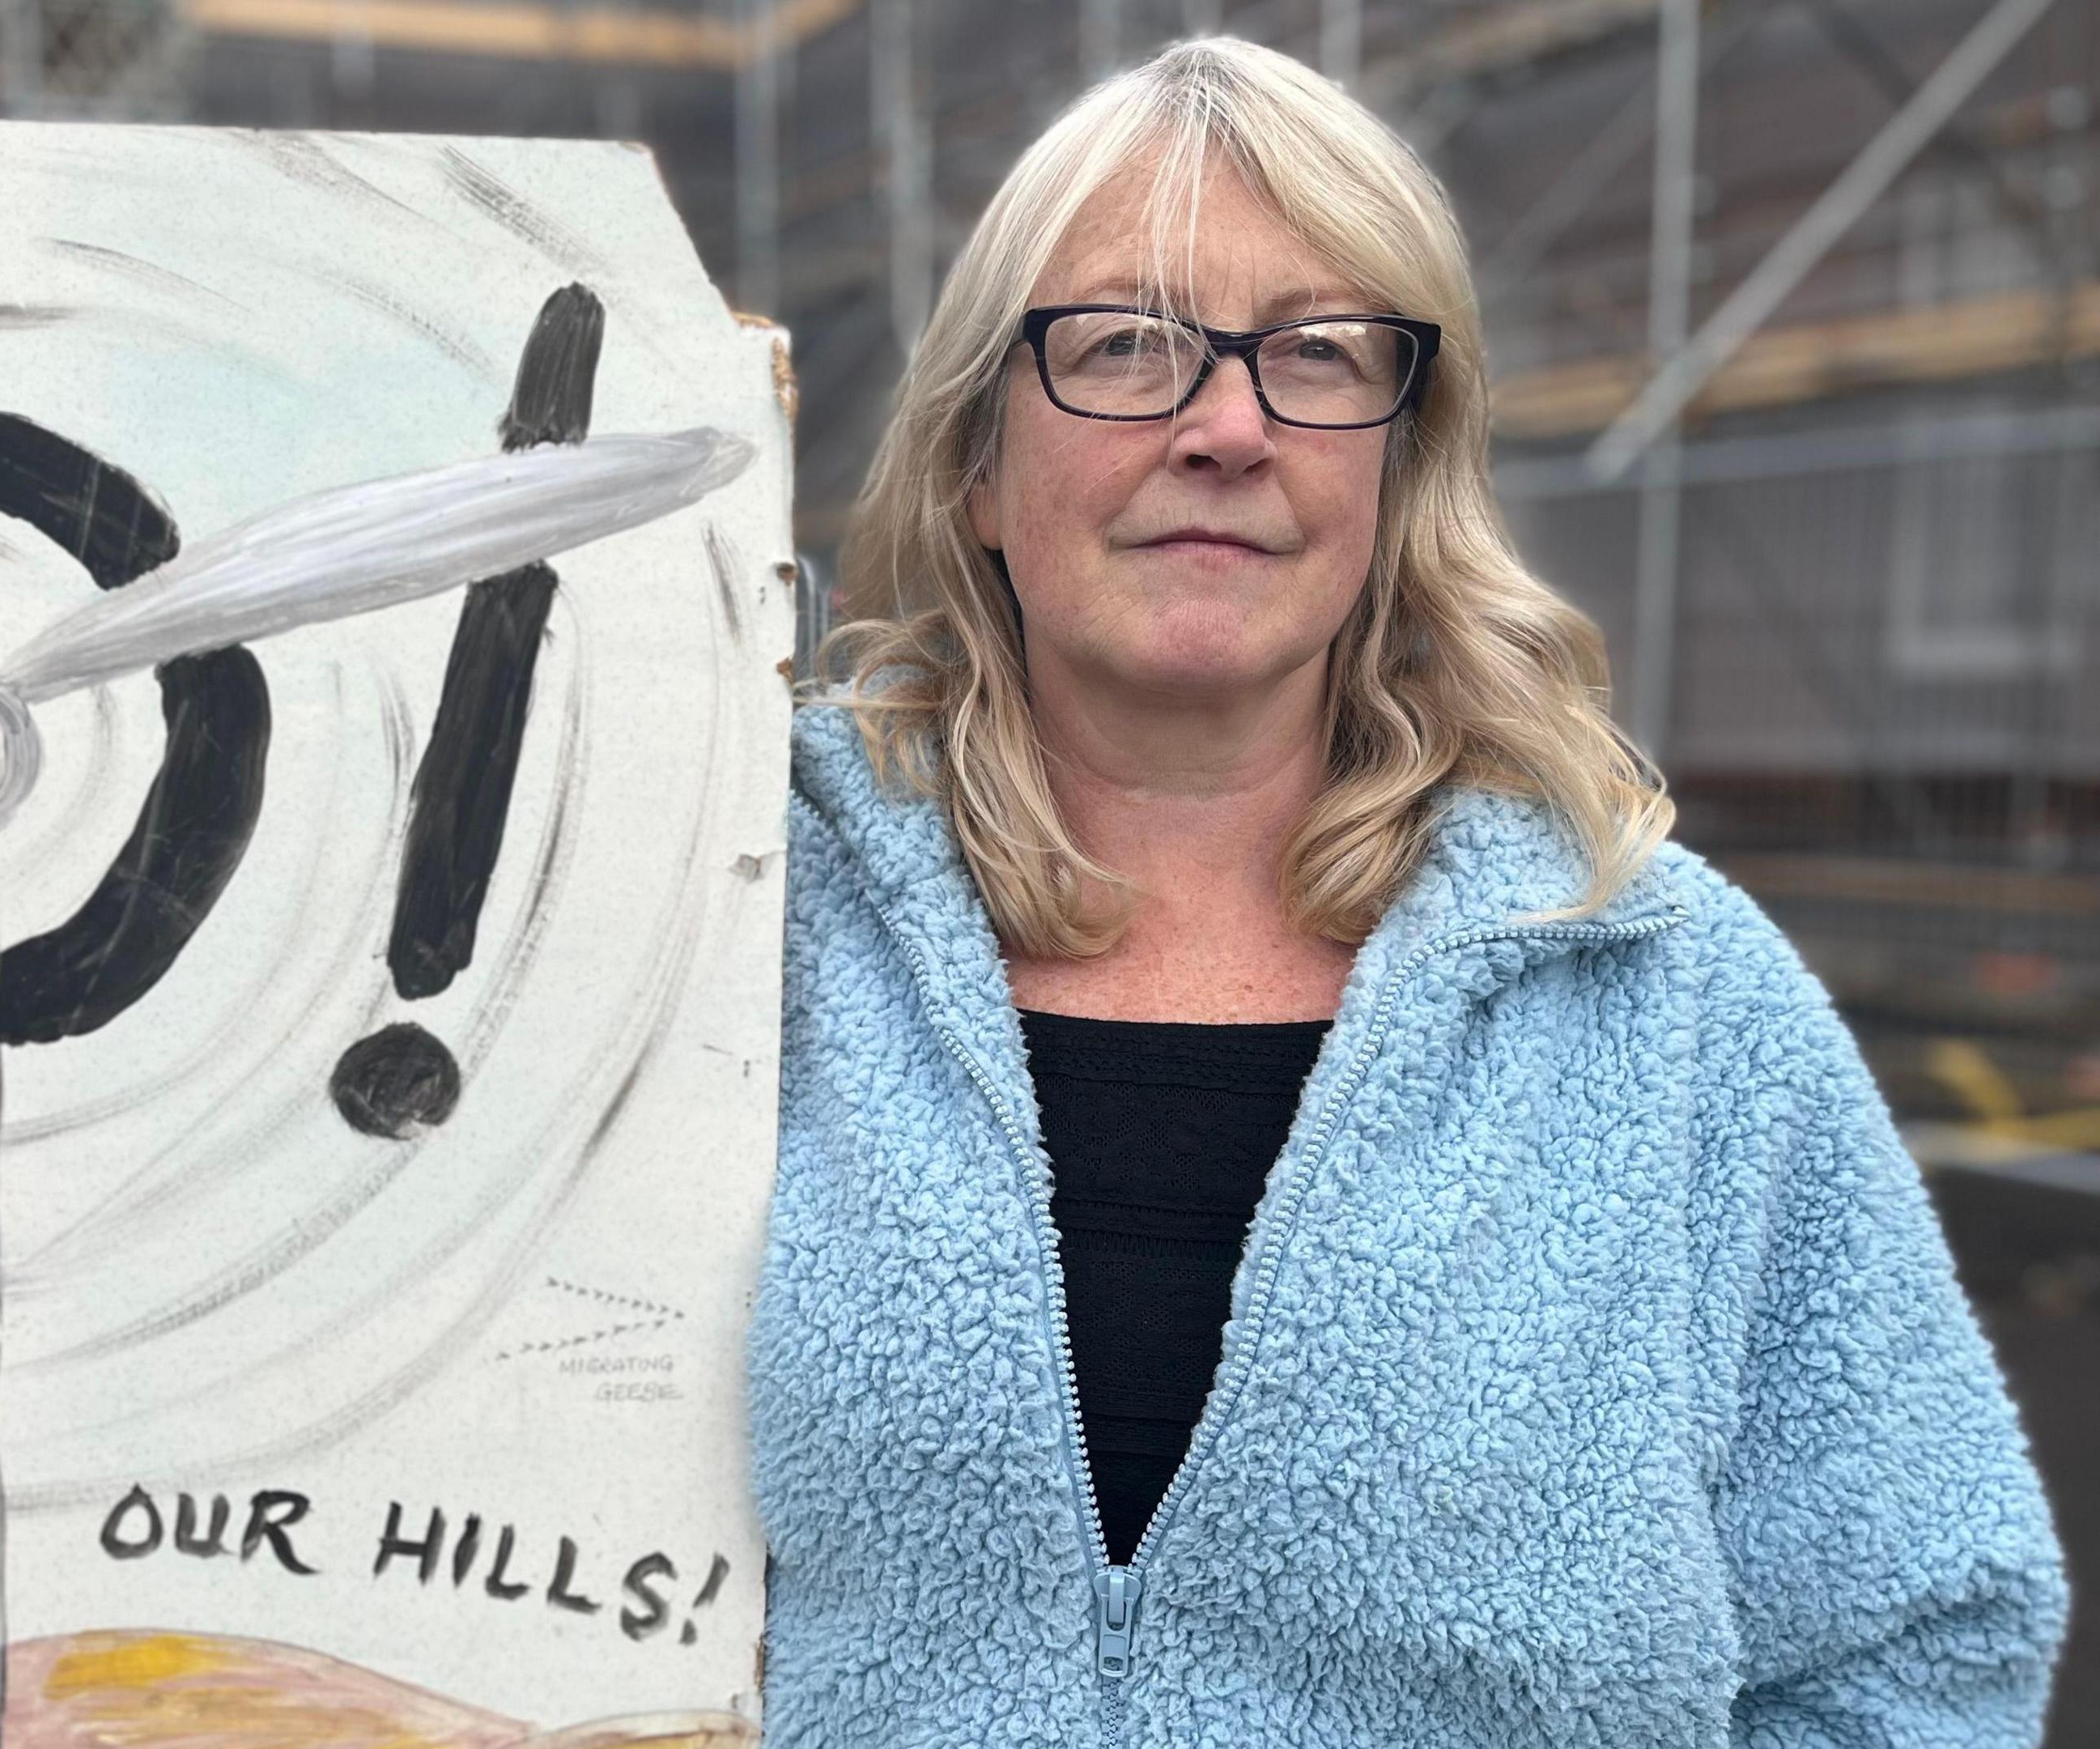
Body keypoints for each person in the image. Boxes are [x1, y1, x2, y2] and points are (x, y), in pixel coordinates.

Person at [750, 35, 2069, 1747]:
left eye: (1313, 354)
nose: (1227, 424)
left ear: (1396, 465)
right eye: (1128, 342)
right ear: (979, 464)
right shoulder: (745, 921)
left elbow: (1923, 1636)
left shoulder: (1667, 1000)